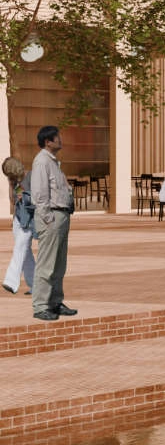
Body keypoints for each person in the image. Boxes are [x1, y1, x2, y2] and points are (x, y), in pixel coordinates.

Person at [29, 126, 75, 321]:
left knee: (59, 264)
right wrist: (48, 219)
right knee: (47, 263)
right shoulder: (42, 162)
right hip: (52, 218)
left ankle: (55, 302)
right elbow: (39, 196)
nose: (60, 140)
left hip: (62, 216)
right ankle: (40, 305)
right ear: (48, 141)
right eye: (57, 137)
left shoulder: (54, 163)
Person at [2, 157, 34, 296]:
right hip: (18, 220)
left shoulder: (30, 177)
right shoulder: (14, 182)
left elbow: (37, 199)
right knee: (26, 254)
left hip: (28, 220)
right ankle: (36, 285)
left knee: (20, 248)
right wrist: (11, 185)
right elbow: (12, 201)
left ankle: (11, 282)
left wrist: (26, 196)